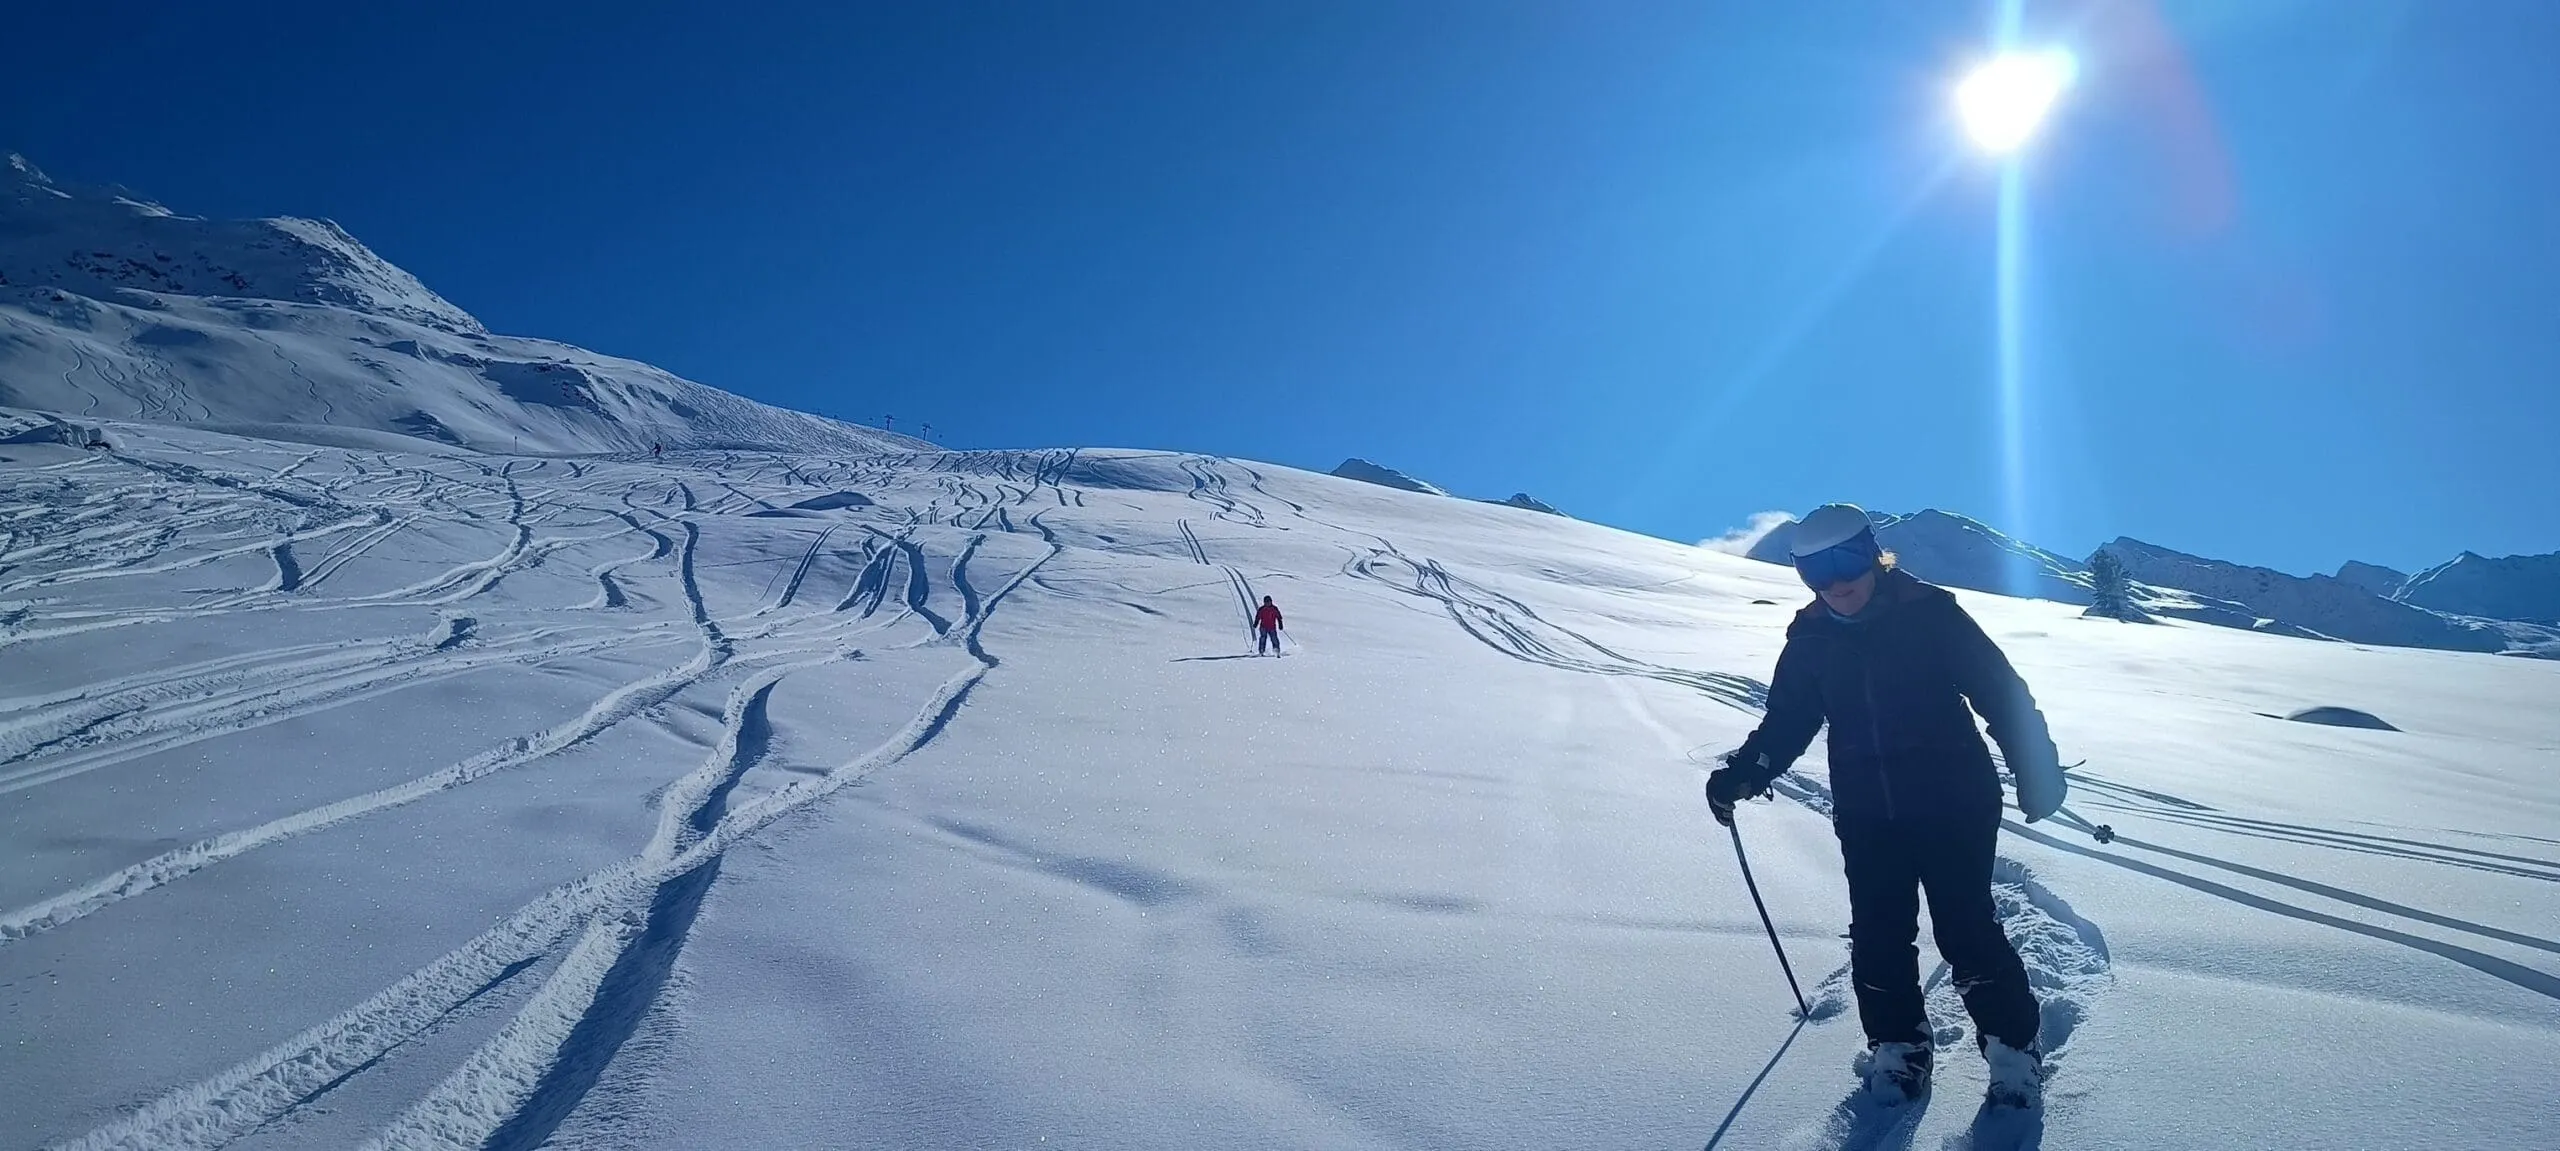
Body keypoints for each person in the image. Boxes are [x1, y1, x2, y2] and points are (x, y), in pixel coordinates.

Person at [1707, 503, 2066, 1109]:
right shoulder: (1811, 638)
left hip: (1954, 798)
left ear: (1873, 553)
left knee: (1965, 926)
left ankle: (2012, 1049)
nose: (1835, 582)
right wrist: (1745, 772)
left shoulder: (1932, 615)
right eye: (1814, 571)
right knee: (1877, 934)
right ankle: (1898, 1046)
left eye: (1845, 561)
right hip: (1870, 810)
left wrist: (2036, 766)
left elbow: (2000, 692)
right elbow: (1789, 720)